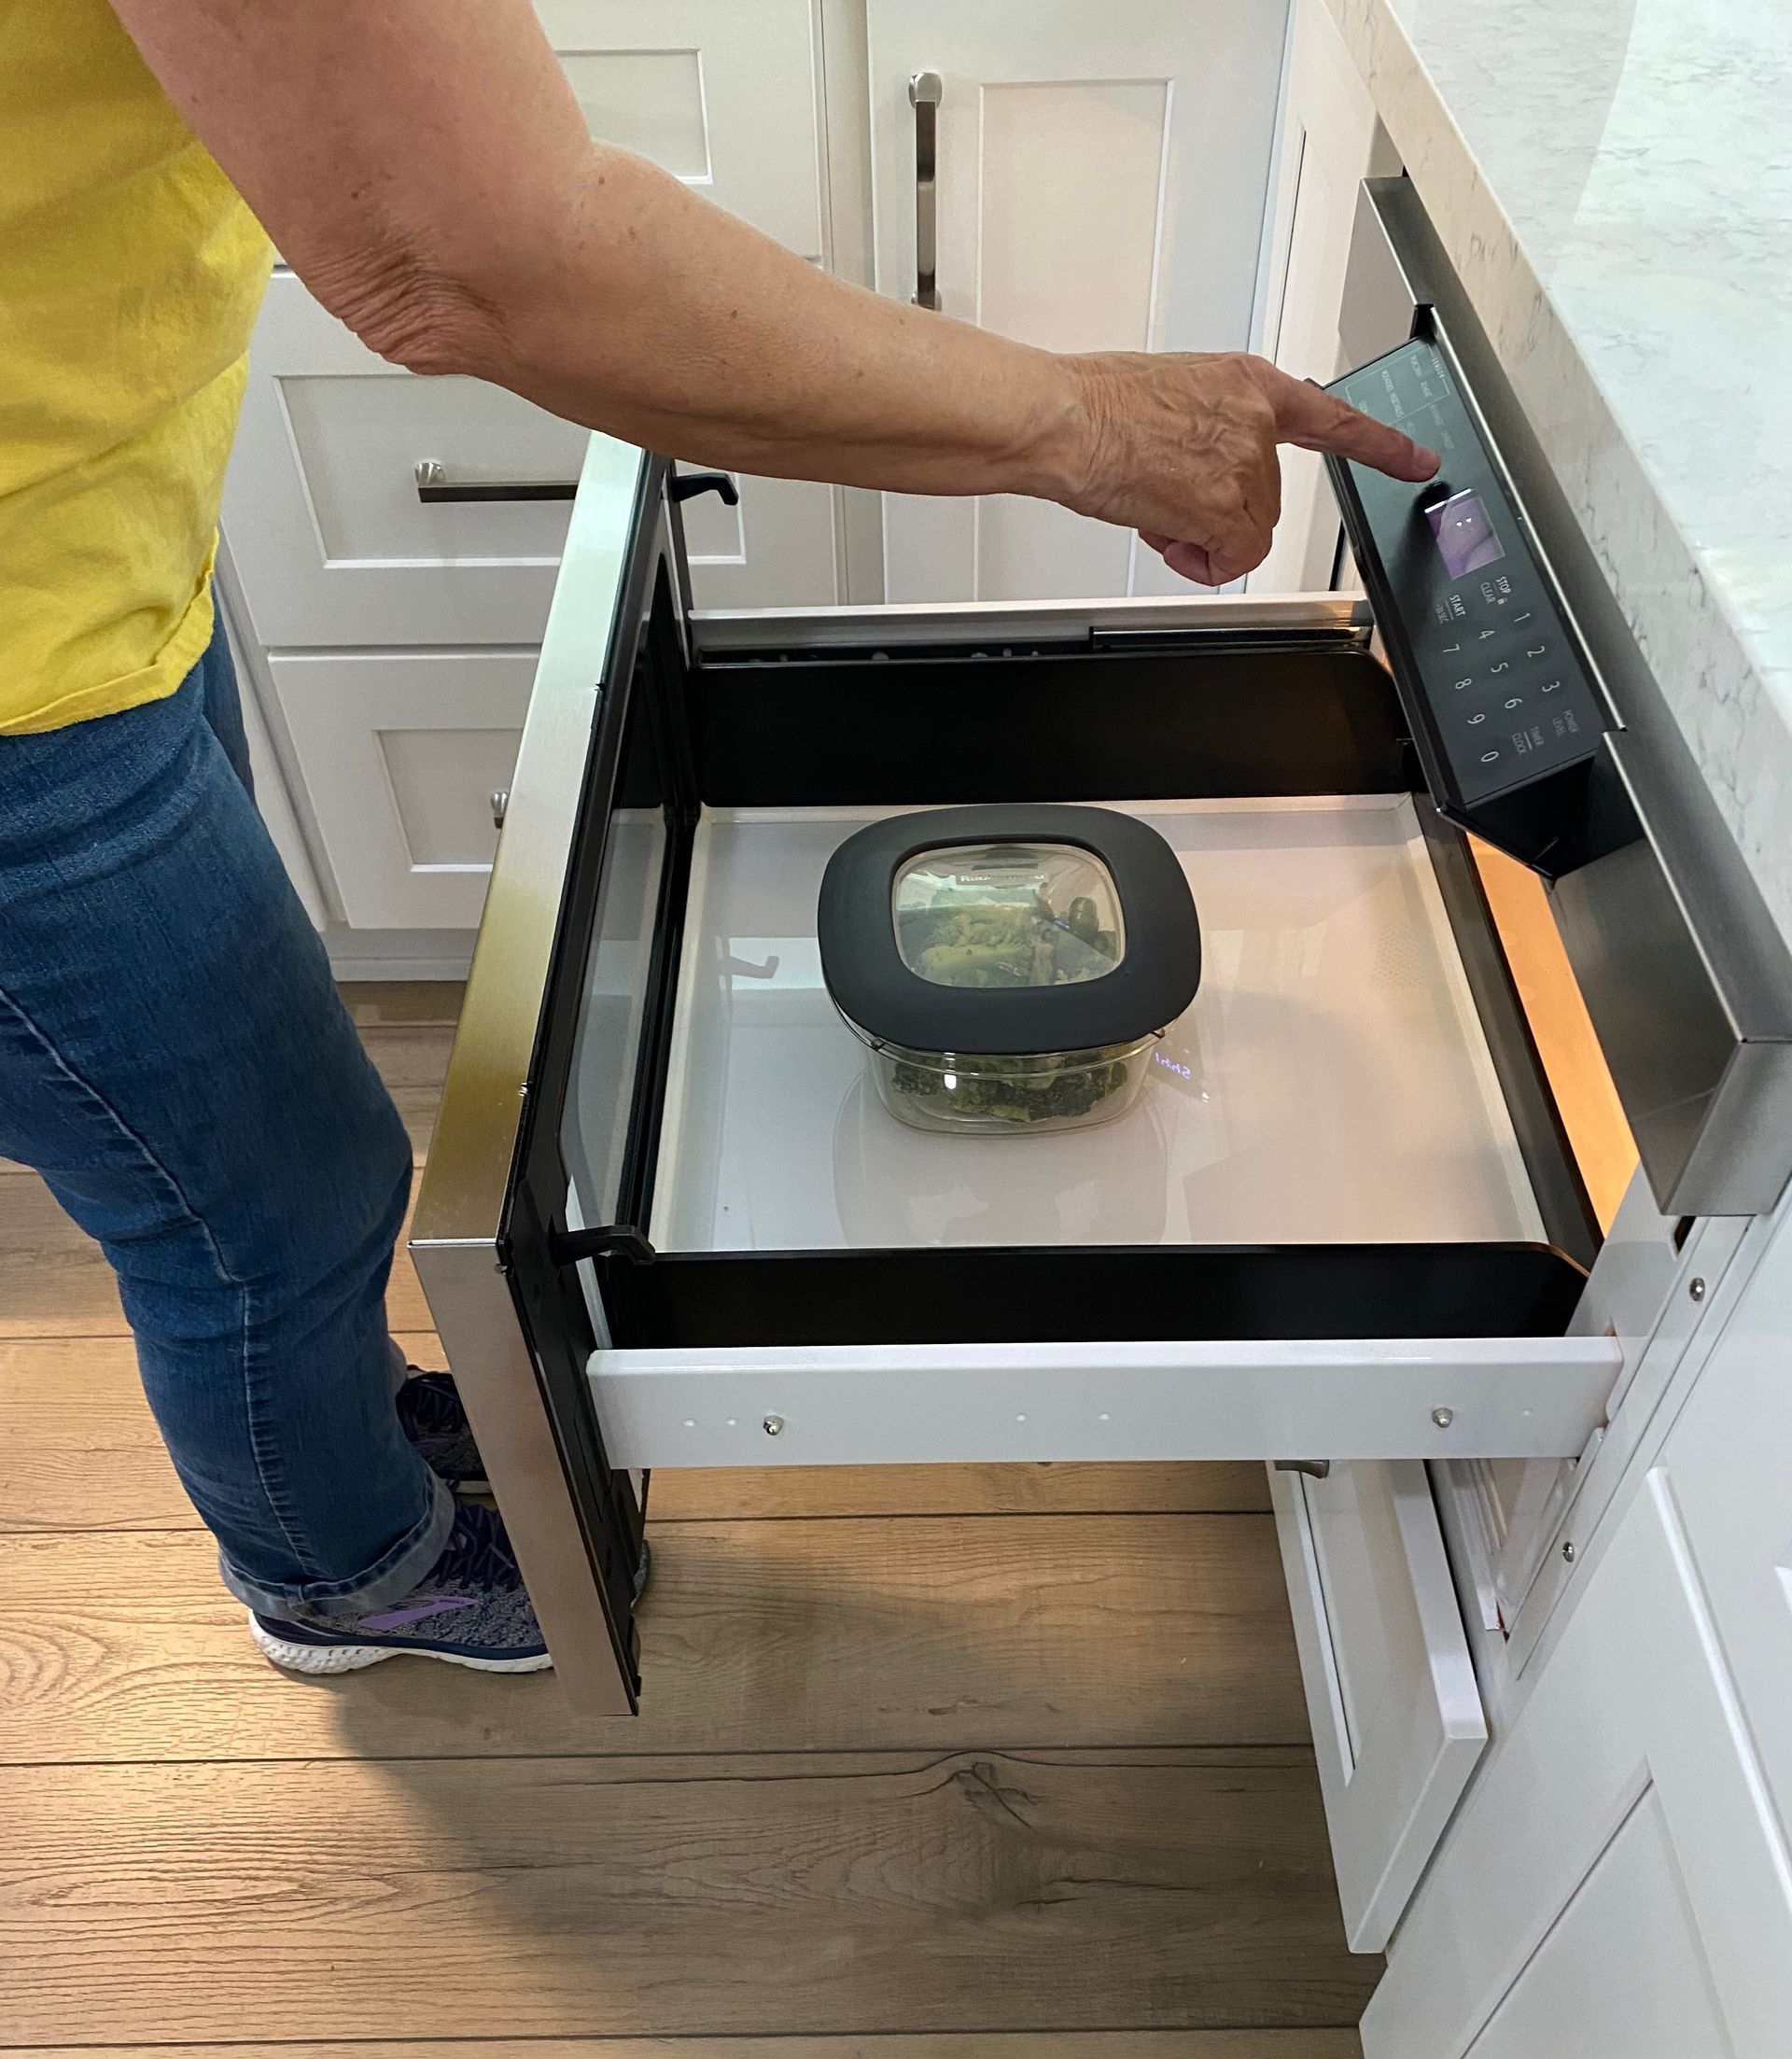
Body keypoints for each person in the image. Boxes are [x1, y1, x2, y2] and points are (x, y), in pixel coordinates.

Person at [0, 0, 1438, 1680]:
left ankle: (335, 1425)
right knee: (263, 1203)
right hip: (31, 686)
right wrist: (1092, 422)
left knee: (248, 1178)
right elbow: (459, 260)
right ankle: (338, 1566)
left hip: (90, 586)